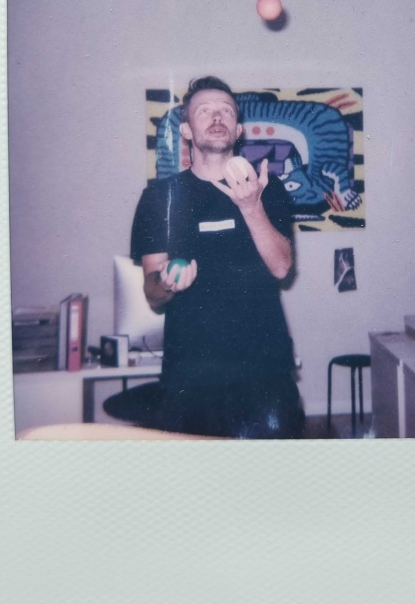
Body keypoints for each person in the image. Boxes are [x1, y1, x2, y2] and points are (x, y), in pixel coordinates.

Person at [130, 76, 305, 439]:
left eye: (226, 111)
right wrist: (166, 284)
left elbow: (281, 267)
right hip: (190, 374)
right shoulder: (160, 198)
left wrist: (251, 207)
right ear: (186, 131)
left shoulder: (267, 189)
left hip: (264, 369)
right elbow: (151, 293)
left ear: (238, 129)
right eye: (204, 111)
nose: (216, 117)